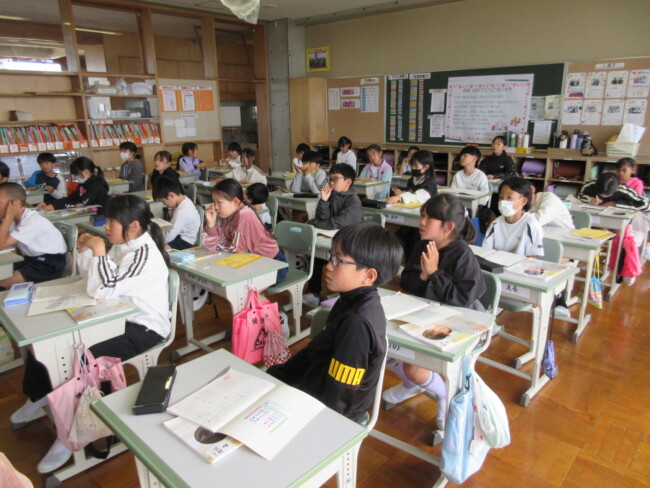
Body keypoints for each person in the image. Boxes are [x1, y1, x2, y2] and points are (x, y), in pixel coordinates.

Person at [10, 194, 170, 473]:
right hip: (115, 315)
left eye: (111, 222)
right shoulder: (123, 245)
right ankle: (38, 396)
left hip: (143, 327)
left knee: (84, 358)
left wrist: (98, 252)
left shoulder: (143, 255)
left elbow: (103, 289)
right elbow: (93, 281)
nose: (105, 227)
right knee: (47, 341)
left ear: (133, 226)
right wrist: (87, 252)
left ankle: (75, 432)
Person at [268, 222, 402, 422]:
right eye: (332, 257)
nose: (329, 265)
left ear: (369, 275)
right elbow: (315, 351)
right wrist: (277, 375)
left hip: (330, 414)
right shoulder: (349, 299)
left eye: (339, 260)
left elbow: (340, 394)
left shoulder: (357, 322)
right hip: (315, 388)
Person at [384, 194, 486, 429]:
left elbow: (462, 300)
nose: (421, 222)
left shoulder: (462, 254)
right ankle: (413, 384)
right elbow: (406, 281)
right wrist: (423, 274)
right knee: (381, 343)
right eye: (422, 215)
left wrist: (434, 273)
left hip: (458, 320)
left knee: (413, 366)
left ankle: (443, 394)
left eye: (428, 218)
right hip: (423, 312)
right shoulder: (423, 244)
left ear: (448, 227)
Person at [202, 178, 287, 284]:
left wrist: (219, 242)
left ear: (235, 201)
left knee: (240, 288)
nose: (215, 207)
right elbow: (214, 245)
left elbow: (235, 250)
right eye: (214, 202)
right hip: (252, 262)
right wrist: (211, 225)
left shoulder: (244, 215)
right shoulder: (225, 214)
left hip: (273, 264)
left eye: (219, 202)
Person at [303, 163, 363, 306]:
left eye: (335, 179)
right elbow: (322, 218)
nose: (331, 182)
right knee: (314, 255)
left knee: (337, 259)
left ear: (348, 182)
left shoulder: (353, 202)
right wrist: (324, 200)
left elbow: (333, 223)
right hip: (332, 238)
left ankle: (343, 294)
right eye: (330, 179)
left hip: (350, 243)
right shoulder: (332, 194)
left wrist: (315, 222)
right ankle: (315, 292)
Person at [0, 182, 67, 289]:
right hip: (30, 259)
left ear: (14, 204)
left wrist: (8, 217)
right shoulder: (14, 218)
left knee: (2, 284)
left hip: (49, 263)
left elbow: (2, 244)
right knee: (3, 272)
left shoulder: (31, 221)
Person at [386, 150, 438, 261]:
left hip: (424, 221)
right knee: (400, 236)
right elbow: (411, 193)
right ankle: (405, 261)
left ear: (426, 167)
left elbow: (419, 196)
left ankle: (413, 263)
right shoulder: (412, 180)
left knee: (413, 240)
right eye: (412, 165)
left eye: (416, 166)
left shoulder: (430, 182)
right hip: (411, 217)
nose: (413, 168)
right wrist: (401, 193)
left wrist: (400, 197)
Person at [483, 177, 544, 256]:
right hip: (497, 262)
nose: (503, 201)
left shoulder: (530, 224)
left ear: (523, 201)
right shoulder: (496, 223)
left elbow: (533, 255)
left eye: (509, 197)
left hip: (521, 263)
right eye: (501, 197)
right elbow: (486, 250)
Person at [37, 157, 109, 212]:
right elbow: (71, 198)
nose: (75, 177)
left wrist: (55, 206)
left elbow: (81, 204)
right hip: (87, 215)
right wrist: (48, 203)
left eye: (77, 175)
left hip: (98, 217)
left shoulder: (96, 186)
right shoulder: (83, 184)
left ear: (86, 172)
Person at [152, 176, 200, 250]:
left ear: (171, 195)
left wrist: (154, 238)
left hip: (185, 241)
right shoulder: (184, 199)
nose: (164, 205)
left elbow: (168, 237)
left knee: (158, 248)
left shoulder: (182, 212)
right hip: (180, 235)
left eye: (163, 202)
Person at [577, 171, 649, 210]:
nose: (603, 197)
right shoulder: (590, 184)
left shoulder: (622, 190)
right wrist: (590, 199)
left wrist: (617, 204)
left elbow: (645, 205)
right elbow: (578, 195)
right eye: (600, 195)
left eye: (607, 195)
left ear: (616, 189)